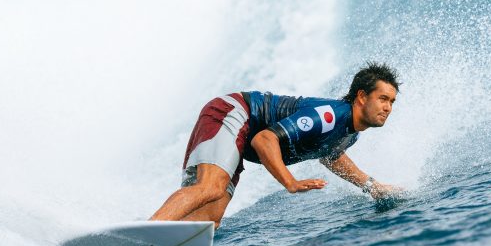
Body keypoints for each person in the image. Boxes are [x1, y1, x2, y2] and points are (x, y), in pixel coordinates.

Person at [150, 62, 401, 227]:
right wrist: (290, 182)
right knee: (211, 187)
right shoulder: (328, 116)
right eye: (382, 99)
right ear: (361, 96)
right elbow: (264, 139)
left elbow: (330, 156)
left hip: (241, 138)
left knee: (209, 219)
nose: (387, 107)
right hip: (235, 112)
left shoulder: (349, 132)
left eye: (391, 101)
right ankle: (149, 231)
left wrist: (371, 186)